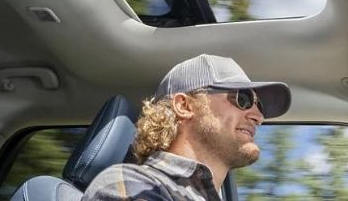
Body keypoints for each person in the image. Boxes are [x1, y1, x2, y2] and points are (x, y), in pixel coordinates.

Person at [82, 54, 292, 201]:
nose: (258, 116)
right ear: (184, 105)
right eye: (243, 98)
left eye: (260, 106)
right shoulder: (132, 185)